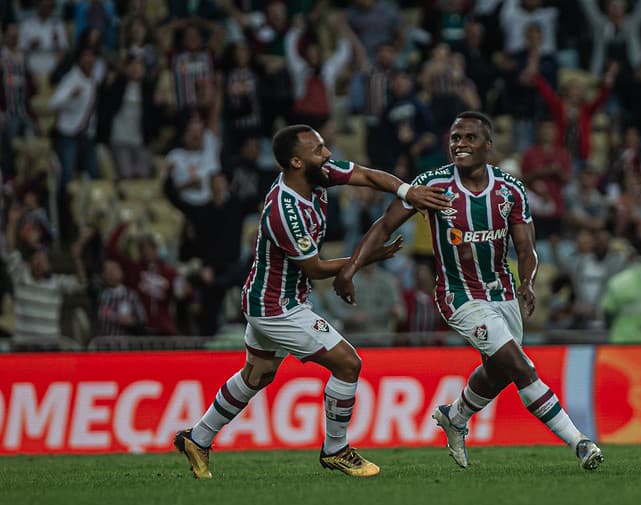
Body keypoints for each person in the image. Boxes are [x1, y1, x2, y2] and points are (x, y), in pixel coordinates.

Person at [173, 124, 451, 479]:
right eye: (318, 150)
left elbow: (366, 175)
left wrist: (408, 191)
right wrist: (364, 258)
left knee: (256, 376)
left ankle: (198, 438)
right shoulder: (283, 210)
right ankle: (336, 450)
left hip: (268, 299)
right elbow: (316, 267)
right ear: (296, 162)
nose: (328, 154)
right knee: (348, 364)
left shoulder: (319, 172)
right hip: (277, 307)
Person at [333, 112, 604, 471]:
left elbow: (526, 248)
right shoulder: (433, 185)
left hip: (502, 293)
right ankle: (580, 442)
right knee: (521, 367)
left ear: (488, 145)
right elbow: (384, 226)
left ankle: (455, 415)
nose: (460, 144)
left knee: (500, 371)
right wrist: (351, 267)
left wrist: (526, 283)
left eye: (469, 138)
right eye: (455, 138)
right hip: (458, 296)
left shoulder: (510, 190)